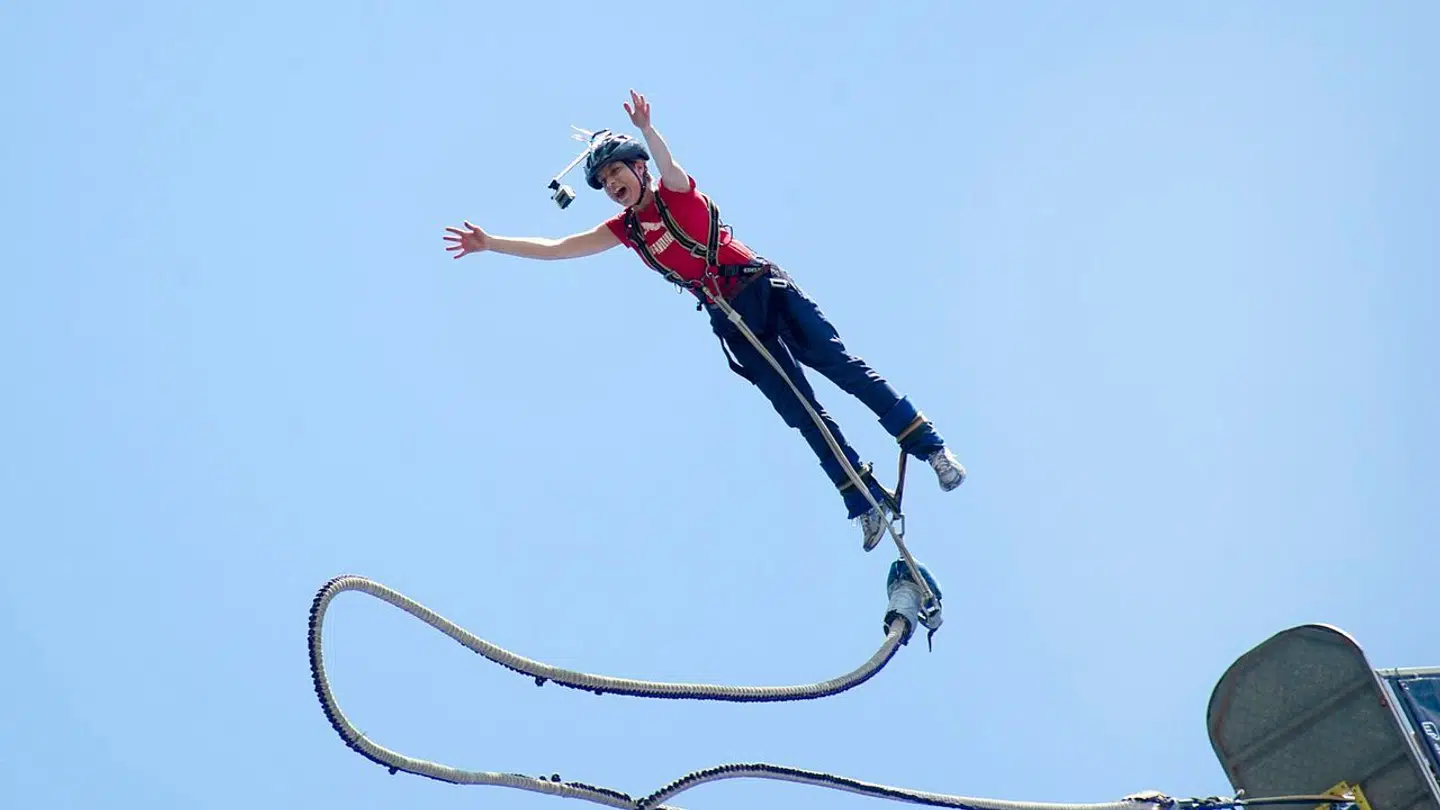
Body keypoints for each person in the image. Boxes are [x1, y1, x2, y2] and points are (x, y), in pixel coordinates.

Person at [443, 91, 965, 551]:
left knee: (840, 366)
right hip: (732, 320)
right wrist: (493, 244)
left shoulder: (675, 192)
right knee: (801, 413)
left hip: (761, 288)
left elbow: (670, 165)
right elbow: (558, 248)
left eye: (617, 172)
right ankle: (863, 503)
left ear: (637, 167)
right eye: (603, 182)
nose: (612, 184)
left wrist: (647, 129)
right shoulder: (628, 232)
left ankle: (930, 448)